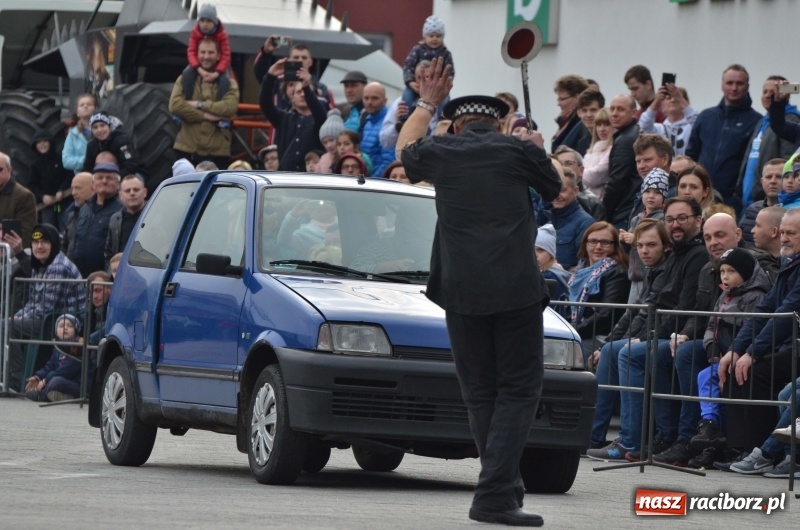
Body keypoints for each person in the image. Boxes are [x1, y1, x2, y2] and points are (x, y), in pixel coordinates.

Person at [397, 57, 561, 526]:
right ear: (498, 122)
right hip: (514, 290)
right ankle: (494, 494)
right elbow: (554, 186)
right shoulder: (515, 151)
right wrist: (535, 145)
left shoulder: (441, 153)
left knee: (480, 393)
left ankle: (503, 487)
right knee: (518, 390)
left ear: (458, 125)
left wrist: (426, 103)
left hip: (460, 292)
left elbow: (405, 148)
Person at [588, 197, 707, 462]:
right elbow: (644, 309)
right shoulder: (677, 255)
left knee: (629, 352)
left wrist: (646, 336)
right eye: (670, 219)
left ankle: (635, 439)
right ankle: (595, 434)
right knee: (611, 348)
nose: (675, 224)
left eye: (682, 218)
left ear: (698, 220)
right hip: (666, 332)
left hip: (682, 335)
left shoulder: (695, 255)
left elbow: (683, 307)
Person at [717, 208, 800, 459]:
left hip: (793, 345)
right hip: (787, 344)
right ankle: (738, 449)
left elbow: (787, 313)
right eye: (783, 232)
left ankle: (762, 452)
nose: (784, 237)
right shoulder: (790, 263)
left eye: (792, 233)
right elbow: (766, 309)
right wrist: (737, 349)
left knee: (757, 373)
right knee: (733, 366)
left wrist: (753, 352)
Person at [589, 219, 670, 449]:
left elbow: (647, 313)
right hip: (648, 332)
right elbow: (632, 313)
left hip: (664, 334)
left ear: (665, 246)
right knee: (608, 349)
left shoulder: (664, 270)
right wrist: (610, 341)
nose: (644, 251)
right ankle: (593, 435)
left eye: (651, 245)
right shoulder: (652, 271)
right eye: (640, 245)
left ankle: (628, 440)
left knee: (623, 351)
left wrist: (634, 338)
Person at [686, 248, 770, 470]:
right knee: (709, 377)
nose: (725, 276)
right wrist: (712, 350)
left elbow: (753, 330)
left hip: (742, 356)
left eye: (731, 271)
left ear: (746, 273)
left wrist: (737, 352)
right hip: (722, 356)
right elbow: (712, 326)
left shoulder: (756, 296)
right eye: (722, 271)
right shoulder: (723, 295)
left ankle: (711, 427)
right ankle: (710, 431)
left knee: (711, 379)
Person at [7, 223, 85, 392]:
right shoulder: (40, 263)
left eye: (45, 242)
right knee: (7, 323)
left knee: (5, 327)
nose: (39, 246)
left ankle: (15, 381)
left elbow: (45, 308)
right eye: (36, 242)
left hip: (58, 324)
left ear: (54, 244)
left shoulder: (58, 266)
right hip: (44, 319)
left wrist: (14, 321)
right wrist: (18, 316)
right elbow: (33, 301)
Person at [686, 65, 762, 212]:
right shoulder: (706, 117)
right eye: (729, 83)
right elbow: (691, 155)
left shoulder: (756, 121)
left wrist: (737, 194)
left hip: (733, 201)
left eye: (739, 83)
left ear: (747, 87)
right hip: (701, 197)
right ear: (722, 85)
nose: (734, 88)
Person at [170, 38, 239, 170]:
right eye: (202, 52)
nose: (206, 56)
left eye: (211, 52)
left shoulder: (229, 83)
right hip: (187, 149)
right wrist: (207, 116)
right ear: (196, 54)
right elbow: (175, 105)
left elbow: (229, 107)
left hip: (217, 152)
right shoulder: (184, 80)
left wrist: (199, 104)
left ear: (218, 55)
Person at [568, 222, 630, 355]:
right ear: (585, 244)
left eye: (605, 242)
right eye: (593, 241)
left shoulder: (617, 273)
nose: (598, 247)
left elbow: (605, 315)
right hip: (580, 332)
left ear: (614, 246)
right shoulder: (579, 272)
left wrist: (571, 330)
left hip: (600, 336)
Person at [738, 76, 800, 207]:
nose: (768, 96)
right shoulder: (764, 122)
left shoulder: (793, 118)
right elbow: (779, 126)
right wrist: (778, 101)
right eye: (765, 92)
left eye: (772, 93)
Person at [259, 57, 327, 172]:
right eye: (298, 92)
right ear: (292, 97)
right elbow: (265, 104)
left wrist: (306, 87)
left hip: (310, 178)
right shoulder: (283, 118)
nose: (302, 94)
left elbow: (321, 115)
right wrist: (270, 75)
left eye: (305, 91)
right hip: (286, 177)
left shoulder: (318, 119)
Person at [620, 168, 668, 303]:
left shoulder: (663, 219)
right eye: (647, 191)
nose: (651, 196)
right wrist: (623, 240)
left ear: (664, 196)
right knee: (632, 311)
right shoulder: (636, 218)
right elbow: (626, 250)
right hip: (634, 276)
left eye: (657, 192)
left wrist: (634, 239)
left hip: (652, 275)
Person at [70, 162, 123, 277]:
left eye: (109, 178)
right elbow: (73, 242)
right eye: (99, 177)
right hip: (79, 278)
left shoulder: (121, 211)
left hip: (105, 282)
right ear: (93, 184)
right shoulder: (84, 209)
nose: (104, 181)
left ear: (118, 184)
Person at [400, 15, 453, 126]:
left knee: (445, 99)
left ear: (443, 37)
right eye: (431, 35)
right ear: (425, 37)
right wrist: (410, 82)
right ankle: (404, 119)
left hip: (437, 87)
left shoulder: (445, 53)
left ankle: (442, 120)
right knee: (406, 95)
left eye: (438, 36)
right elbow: (408, 66)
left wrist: (445, 83)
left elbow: (450, 70)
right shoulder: (417, 50)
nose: (434, 39)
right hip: (417, 85)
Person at [24, 314, 84, 402]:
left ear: (76, 331)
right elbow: (49, 366)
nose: (65, 328)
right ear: (56, 331)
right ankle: (62, 397)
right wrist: (38, 377)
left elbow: (66, 371)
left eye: (70, 326)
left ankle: (42, 396)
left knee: (56, 381)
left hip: (76, 385)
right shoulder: (57, 347)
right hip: (58, 380)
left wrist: (45, 381)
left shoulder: (77, 348)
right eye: (61, 326)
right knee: (30, 391)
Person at [603, 94, 641, 229]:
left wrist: (603, 214)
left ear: (634, 113)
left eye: (620, 109)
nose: (614, 114)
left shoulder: (625, 140)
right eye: (612, 109)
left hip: (624, 211)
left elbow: (616, 181)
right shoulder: (632, 133)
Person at [548, 168, 595, 270]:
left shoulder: (585, 223)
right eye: (553, 189)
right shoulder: (544, 218)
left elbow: (583, 265)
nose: (557, 195)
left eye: (563, 190)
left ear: (575, 191)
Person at [28, 129, 73, 228]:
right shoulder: (35, 165)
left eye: (45, 141)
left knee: (66, 226)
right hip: (47, 205)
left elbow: (70, 175)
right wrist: (43, 196)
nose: (42, 144)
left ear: (50, 142)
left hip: (65, 200)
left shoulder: (61, 158)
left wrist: (61, 190)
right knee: (48, 230)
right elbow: (32, 185)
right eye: (39, 142)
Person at [638, 84, 696, 157]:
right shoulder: (659, 129)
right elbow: (643, 125)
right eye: (668, 98)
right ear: (662, 105)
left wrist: (680, 99)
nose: (673, 100)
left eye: (676, 97)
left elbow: (698, 122)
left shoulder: (690, 127)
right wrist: (656, 100)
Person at [81, 112, 142, 179]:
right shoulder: (91, 145)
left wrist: (112, 179)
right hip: (105, 177)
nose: (99, 130)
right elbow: (87, 169)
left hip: (134, 173)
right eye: (95, 127)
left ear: (109, 127)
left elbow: (131, 166)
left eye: (102, 125)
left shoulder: (121, 140)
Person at [105, 174, 147, 270]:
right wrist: (111, 273)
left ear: (144, 192)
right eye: (127, 190)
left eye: (136, 189)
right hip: (121, 274)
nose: (132, 193)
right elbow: (108, 252)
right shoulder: (114, 219)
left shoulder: (156, 216)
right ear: (120, 196)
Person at [553, 146, 605, 221]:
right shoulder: (546, 199)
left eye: (568, 163)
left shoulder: (593, 204)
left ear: (581, 170)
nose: (563, 167)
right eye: (559, 164)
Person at [739, 158, 784, 243]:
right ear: (762, 181)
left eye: (779, 177)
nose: (773, 181)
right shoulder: (752, 210)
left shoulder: (794, 212)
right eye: (769, 177)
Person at [0, 151, 37, 247]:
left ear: (9, 170)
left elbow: (27, 234)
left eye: (0, 170)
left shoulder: (23, 196)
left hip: (11, 256)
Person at [359, 82, 396, 177]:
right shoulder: (368, 122)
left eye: (374, 98)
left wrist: (372, 182)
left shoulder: (389, 125)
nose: (369, 102)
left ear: (385, 101)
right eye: (366, 98)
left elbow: (388, 161)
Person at [187, 4, 231, 83]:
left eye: (208, 21)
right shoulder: (195, 32)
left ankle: (221, 95)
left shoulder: (222, 34)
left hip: (218, 65)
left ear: (215, 22)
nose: (205, 24)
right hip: (198, 65)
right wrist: (199, 69)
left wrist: (217, 73)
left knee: (225, 80)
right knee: (187, 74)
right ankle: (187, 95)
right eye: (202, 20)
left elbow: (226, 55)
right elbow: (191, 51)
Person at [552, 75, 590, 155]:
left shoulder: (583, 122)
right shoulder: (564, 120)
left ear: (577, 97)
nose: (558, 104)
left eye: (562, 99)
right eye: (558, 99)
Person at [535, 223, 571, 304]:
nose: (535, 254)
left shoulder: (549, 276)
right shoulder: (556, 272)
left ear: (550, 254)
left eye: (540, 250)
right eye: (531, 249)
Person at [581, 107, 613, 200]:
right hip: (587, 200)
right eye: (599, 125)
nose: (602, 129)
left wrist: (579, 173)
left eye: (606, 124)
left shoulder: (611, 149)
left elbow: (594, 176)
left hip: (600, 200)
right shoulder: (590, 151)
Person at [62, 93, 97, 173]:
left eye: (89, 104)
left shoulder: (104, 130)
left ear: (95, 108)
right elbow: (66, 161)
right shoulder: (73, 134)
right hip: (83, 178)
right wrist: (90, 160)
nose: (85, 106)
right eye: (82, 105)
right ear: (77, 112)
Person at [61, 172, 93, 257]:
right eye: (72, 189)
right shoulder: (71, 216)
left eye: (78, 188)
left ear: (93, 188)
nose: (73, 193)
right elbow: (64, 246)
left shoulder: (99, 215)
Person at [316, 109, 345, 173]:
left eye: (331, 140)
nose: (329, 145)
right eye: (325, 142)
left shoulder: (346, 158)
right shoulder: (323, 159)